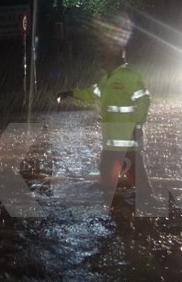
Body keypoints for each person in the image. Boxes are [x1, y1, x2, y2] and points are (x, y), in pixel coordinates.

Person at [56, 46, 153, 206]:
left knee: (133, 169)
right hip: (111, 138)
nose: (101, 61)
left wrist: (137, 126)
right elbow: (91, 93)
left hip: (126, 137)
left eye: (104, 57)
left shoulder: (129, 77)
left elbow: (144, 100)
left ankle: (144, 201)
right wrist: (71, 93)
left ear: (114, 59)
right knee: (108, 168)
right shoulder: (106, 79)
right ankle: (115, 201)